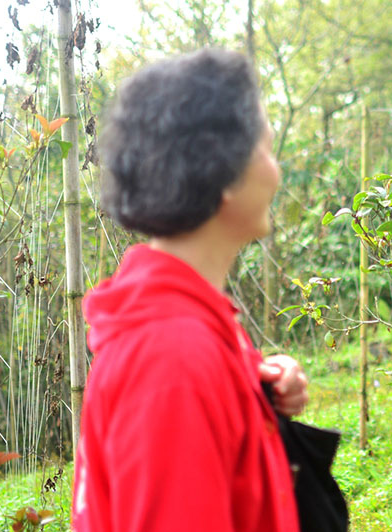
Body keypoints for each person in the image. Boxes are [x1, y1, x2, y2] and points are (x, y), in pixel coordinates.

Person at [72, 49, 309, 532]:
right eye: (266, 148)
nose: (276, 171)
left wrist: (259, 390)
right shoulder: (171, 360)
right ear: (220, 170)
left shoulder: (189, 327)